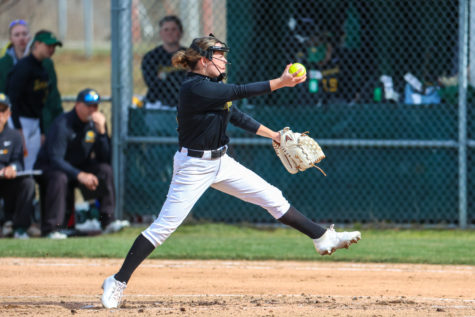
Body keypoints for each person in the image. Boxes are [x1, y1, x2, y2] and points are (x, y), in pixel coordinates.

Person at [100, 34, 361, 309]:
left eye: (224, 54)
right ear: (203, 60)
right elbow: (239, 92)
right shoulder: (194, 87)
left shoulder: (212, 86)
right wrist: (281, 82)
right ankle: (117, 281)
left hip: (221, 162)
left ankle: (321, 237)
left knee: (272, 197)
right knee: (163, 228)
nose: (224, 60)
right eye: (219, 55)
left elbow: (235, 114)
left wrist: (274, 135)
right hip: (194, 167)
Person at [34, 88, 129, 239]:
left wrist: (103, 133)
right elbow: (55, 158)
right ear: (78, 105)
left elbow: (105, 157)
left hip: (78, 166)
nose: (93, 110)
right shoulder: (63, 124)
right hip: (51, 168)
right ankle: (52, 229)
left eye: (95, 106)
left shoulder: (94, 125)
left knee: (105, 170)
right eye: (89, 105)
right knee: (60, 178)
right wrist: (80, 175)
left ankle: (107, 222)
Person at [6, 30, 63, 171]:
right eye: (48, 46)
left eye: (54, 47)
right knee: (16, 164)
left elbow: (40, 104)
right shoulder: (23, 67)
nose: (52, 50)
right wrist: (18, 129)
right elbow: (12, 99)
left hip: (35, 123)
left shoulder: (43, 69)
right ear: (37, 44)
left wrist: (42, 130)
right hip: (20, 121)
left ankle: (28, 193)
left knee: (30, 166)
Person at [0, 21, 64, 135]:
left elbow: (51, 95)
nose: (22, 38)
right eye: (17, 34)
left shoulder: (43, 63)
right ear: (10, 39)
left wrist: (57, 119)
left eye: (24, 34)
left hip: (37, 120)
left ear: (30, 38)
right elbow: (9, 96)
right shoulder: (4, 64)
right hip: (15, 119)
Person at [0, 93, 35, 239]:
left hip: (6, 181)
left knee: (28, 183)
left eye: (2, 111)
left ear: (9, 114)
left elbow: (18, 161)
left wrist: (13, 168)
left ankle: (19, 228)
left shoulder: (14, 135)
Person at [141, 15, 187, 109]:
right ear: (160, 33)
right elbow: (152, 84)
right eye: (166, 30)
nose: (170, 33)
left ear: (180, 32)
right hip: (158, 103)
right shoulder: (151, 57)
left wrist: (166, 77)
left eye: (174, 29)